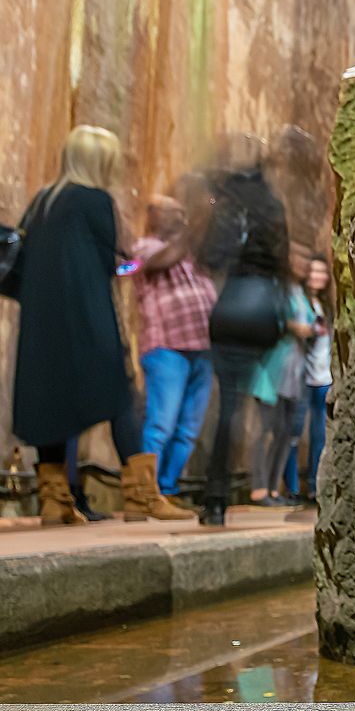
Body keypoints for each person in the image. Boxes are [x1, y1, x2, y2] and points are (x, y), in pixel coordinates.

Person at [13, 126, 194, 525]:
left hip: (41, 323)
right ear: (99, 163)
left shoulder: (43, 200)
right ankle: (143, 497)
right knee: (121, 398)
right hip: (86, 318)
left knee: (51, 401)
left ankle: (54, 501)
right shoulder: (94, 200)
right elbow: (112, 262)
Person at [196, 135, 290, 528]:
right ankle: (241, 487)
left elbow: (210, 256)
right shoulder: (272, 205)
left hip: (234, 305)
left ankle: (215, 498)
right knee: (266, 410)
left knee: (229, 408)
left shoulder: (228, 202)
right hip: (266, 310)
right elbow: (283, 260)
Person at [132, 193, 216, 499]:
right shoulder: (143, 249)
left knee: (188, 430)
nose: (180, 219)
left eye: (182, 214)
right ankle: (144, 494)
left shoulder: (191, 254)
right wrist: (196, 221)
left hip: (202, 348)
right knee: (161, 426)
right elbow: (161, 260)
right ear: (153, 215)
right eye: (173, 213)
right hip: (167, 348)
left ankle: (166, 489)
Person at [250, 247, 315, 506]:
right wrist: (292, 327)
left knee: (285, 432)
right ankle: (258, 489)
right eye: (299, 258)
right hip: (272, 370)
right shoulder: (276, 287)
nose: (303, 264)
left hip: (295, 371)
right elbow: (266, 319)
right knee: (266, 429)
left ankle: (274, 489)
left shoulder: (302, 292)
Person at [282, 255, 333, 502]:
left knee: (319, 437)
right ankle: (291, 488)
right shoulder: (297, 300)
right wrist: (301, 329)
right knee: (293, 432)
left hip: (324, 377)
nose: (318, 277)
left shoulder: (326, 304)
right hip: (302, 374)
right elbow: (284, 321)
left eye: (322, 272)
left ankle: (314, 487)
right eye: (314, 271)